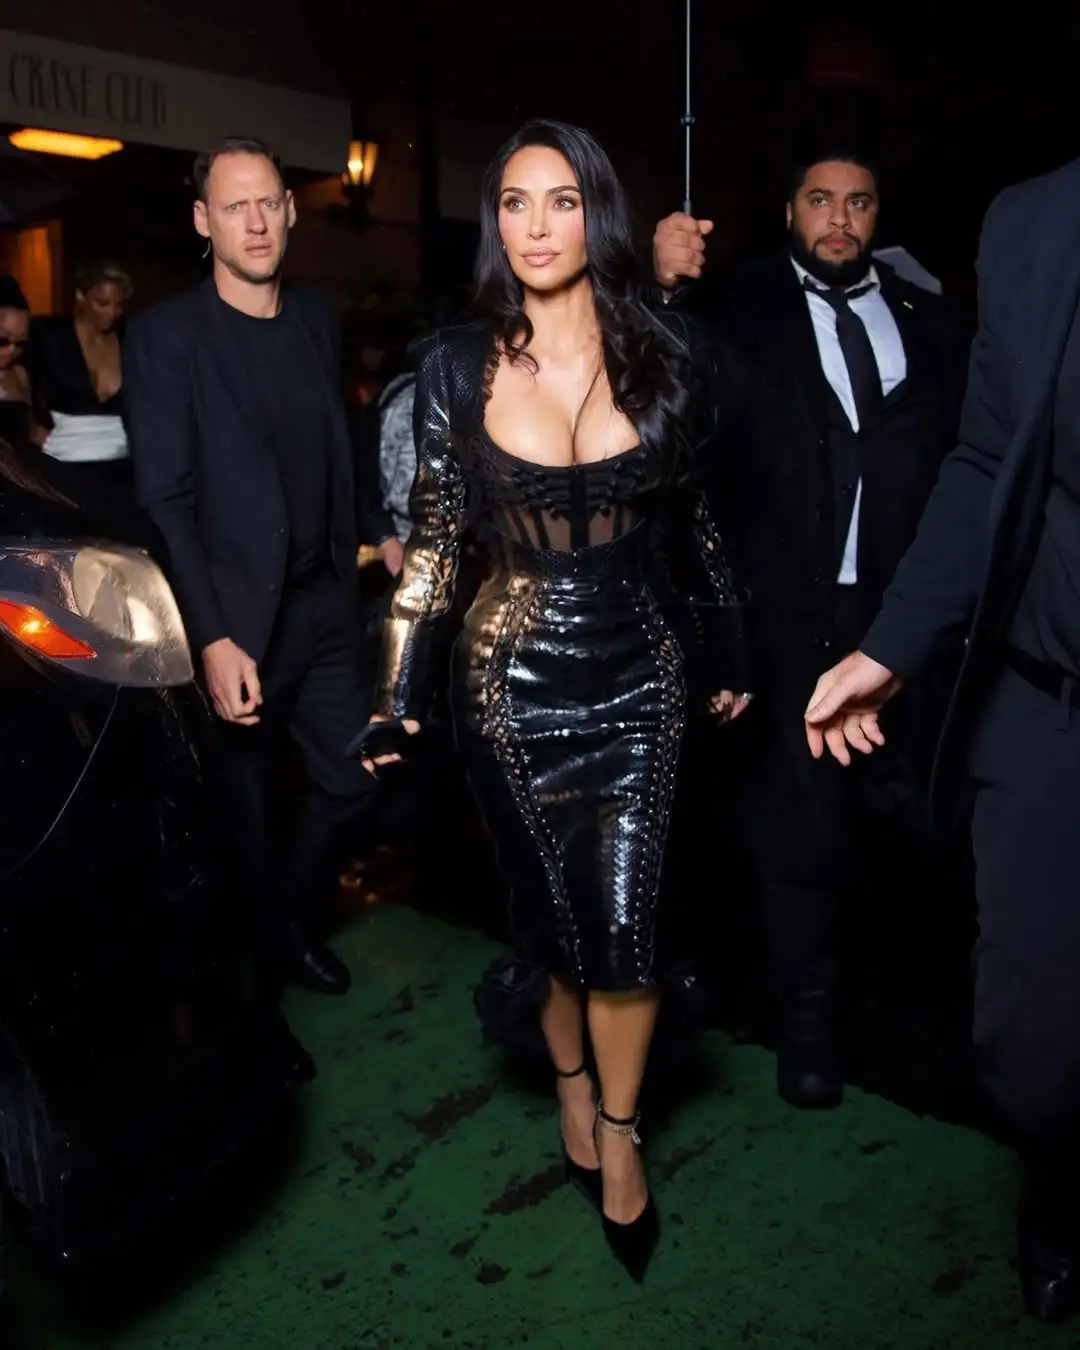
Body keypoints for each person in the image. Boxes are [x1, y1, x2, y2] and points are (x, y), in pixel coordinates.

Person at [359, 119, 747, 1281]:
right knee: (562, 934)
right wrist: (395, 693)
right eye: (515, 203)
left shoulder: (669, 354)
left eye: (562, 201)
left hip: (644, 675)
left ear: (598, 214)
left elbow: (702, 528)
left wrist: (730, 653)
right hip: (508, 683)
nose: (536, 227)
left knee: (627, 930)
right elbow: (435, 547)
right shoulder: (452, 366)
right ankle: (571, 1081)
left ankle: (620, 1135)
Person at [804, 155, 1080, 1324]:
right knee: (1031, 1045)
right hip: (1047, 704)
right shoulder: (1033, 224)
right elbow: (983, 459)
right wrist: (895, 644)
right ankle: (1059, 1184)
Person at [651, 152, 970, 1107]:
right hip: (788, 616)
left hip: (901, 619)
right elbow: (656, 392)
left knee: (908, 816)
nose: (839, 218)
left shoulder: (928, 319)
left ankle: (908, 1011)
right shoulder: (739, 309)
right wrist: (662, 285)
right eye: (820, 200)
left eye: (858, 202)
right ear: (789, 210)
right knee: (798, 824)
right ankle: (805, 1025)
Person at [124, 136, 399, 998]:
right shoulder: (166, 337)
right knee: (240, 820)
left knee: (357, 779)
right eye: (234, 205)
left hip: (325, 602)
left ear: (288, 212)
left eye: (267, 203)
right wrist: (210, 637)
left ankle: (286, 919)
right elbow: (165, 500)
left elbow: (340, 442)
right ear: (203, 220)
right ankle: (244, 991)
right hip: (239, 617)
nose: (255, 221)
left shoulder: (316, 318)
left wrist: (378, 528)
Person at [31, 261, 132, 475]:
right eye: (102, 303)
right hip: (62, 465)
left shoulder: (129, 340)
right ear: (80, 296)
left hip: (121, 466)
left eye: (119, 305)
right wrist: (28, 425)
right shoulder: (50, 336)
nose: (112, 313)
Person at [0, 274, 34, 447]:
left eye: (20, 343)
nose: (12, 351)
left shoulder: (20, 375)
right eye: (2, 340)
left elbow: (32, 433)